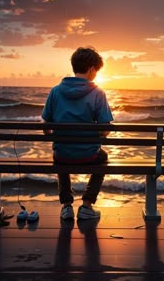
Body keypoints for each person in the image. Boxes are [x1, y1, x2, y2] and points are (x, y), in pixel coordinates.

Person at [42, 47, 113, 220]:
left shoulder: (55, 91)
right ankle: (87, 205)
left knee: (59, 152)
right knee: (103, 158)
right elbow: (105, 130)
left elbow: (46, 127)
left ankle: (67, 206)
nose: (96, 74)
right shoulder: (98, 93)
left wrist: (59, 137)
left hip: (62, 155)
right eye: (96, 70)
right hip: (89, 155)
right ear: (91, 69)